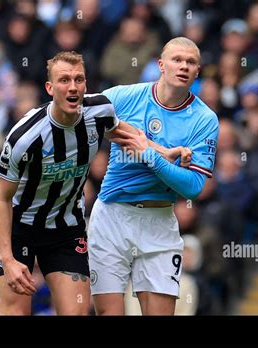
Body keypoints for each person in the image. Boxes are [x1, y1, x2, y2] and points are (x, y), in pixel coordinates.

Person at [0, 51, 190, 315]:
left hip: (65, 228)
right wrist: (7, 259)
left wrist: (162, 152)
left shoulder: (99, 111)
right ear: (50, 88)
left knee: (77, 311)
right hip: (19, 228)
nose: (72, 87)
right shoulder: (24, 138)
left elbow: (123, 132)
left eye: (78, 79)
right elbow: (1, 198)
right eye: (64, 80)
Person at [88, 37, 220, 315]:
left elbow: (194, 187)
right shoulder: (124, 96)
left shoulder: (204, 120)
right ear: (161, 65)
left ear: (197, 71)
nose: (183, 66)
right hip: (111, 217)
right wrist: (158, 149)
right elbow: (77, 113)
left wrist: (148, 154)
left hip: (158, 221)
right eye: (177, 60)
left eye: (191, 62)